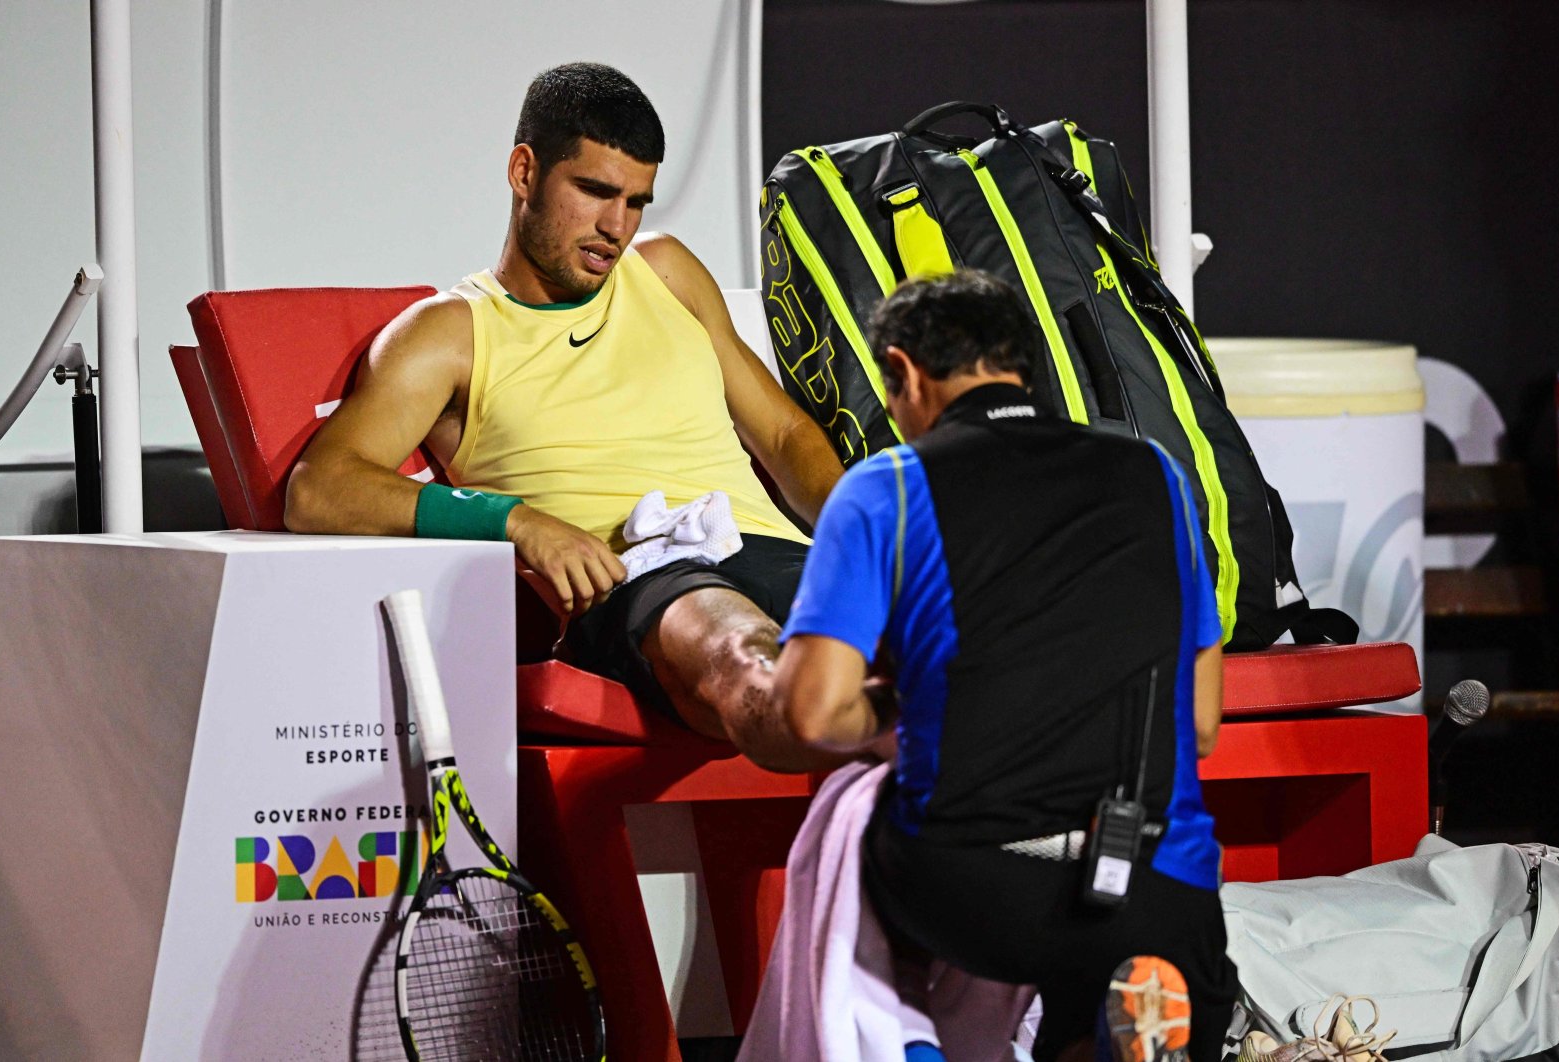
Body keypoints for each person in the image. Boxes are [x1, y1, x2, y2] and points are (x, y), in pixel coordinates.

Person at [285, 62, 845, 770]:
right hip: (639, 576)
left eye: (637, 201)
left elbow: (785, 434)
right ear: (524, 172)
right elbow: (319, 488)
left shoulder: (667, 271)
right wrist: (513, 521)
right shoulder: (451, 331)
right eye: (595, 191)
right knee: (742, 655)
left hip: (763, 547)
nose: (617, 226)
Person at [769, 271, 1239, 1060]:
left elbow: (812, 713)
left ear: (907, 373)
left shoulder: (885, 486)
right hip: (1152, 885)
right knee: (1116, 969)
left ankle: (906, 1046)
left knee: (849, 820)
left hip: (969, 884)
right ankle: (1095, 1031)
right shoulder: (1155, 472)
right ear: (1020, 366)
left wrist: (893, 710)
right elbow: (1200, 724)